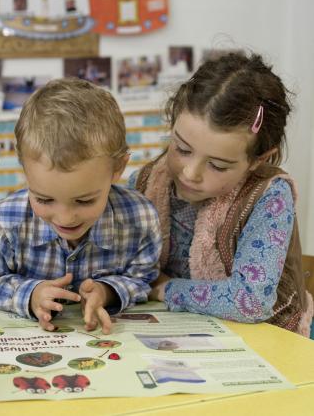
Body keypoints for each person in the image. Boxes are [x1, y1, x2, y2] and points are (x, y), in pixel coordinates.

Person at [129, 52, 313, 336]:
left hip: (268, 340)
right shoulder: (145, 182)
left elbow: (251, 301)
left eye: (217, 165)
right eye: (182, 148)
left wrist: (164, 288)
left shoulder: (270, 196)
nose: (190, 173)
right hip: (177, 333)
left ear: (258, 160)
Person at [0, 78, 161, 333]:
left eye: (84, 200)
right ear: (25, 169)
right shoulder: (4, 221)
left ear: (118, 169)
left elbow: (144, 278)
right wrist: (31, 294)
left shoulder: (141, 218)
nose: (65, 218)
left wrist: (107, 292)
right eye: (44, 199)